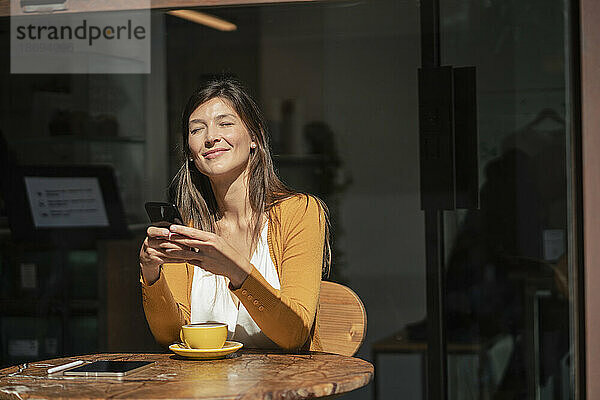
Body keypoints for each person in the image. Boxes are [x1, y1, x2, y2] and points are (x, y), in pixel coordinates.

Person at [139, 77, 331, 351]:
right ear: (191, 154)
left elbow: (294, 333)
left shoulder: (299, 212)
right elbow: (170, 336)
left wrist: (233, 268)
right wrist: (150, 272)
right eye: (197, 130)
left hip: (282, 389)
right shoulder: (190, 229)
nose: (210, 137)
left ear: (255, 137)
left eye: (225, 123)